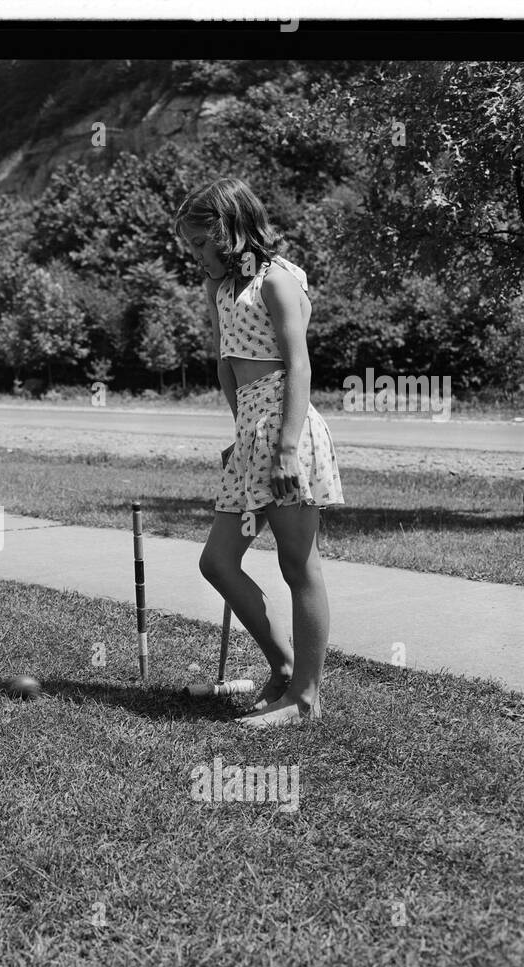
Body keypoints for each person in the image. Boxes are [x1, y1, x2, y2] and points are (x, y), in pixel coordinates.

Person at [174, 177, 343, 728]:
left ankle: (305, 697)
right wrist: (240, 434)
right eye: (190, 248)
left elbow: (299, 367)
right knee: (218, 562)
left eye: (201, 245)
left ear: (229, 230)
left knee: (298, 564)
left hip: (287, 430)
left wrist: (287, 449)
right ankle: (284, 667)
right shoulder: (223, 288)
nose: (196, 257)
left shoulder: (277, 280)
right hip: (251, 430)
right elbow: (228, 365)